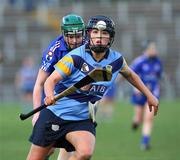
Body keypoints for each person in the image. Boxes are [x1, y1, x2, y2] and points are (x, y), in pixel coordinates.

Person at [26, 15, 159, 160]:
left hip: (82, 116)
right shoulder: (71, 55)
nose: (99, 37)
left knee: (85, 153)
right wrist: (42, 106)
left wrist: (149, 95)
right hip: (56, 111)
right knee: (44, 153)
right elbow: (46, 82)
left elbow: (131, 75)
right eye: (95, 33)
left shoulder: (116, 60)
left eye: (104, 33)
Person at [32, 14, 85, 160]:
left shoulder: (89, 46)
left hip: (77, 102)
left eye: (78, 36)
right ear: (63, 34)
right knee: (47, 149)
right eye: (70, 37)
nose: (75, 41)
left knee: (71, 146)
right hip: (55, 99)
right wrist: (37, 113)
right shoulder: (53, 51)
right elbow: (39, 84)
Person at [130, 40, 163, 150]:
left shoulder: (158, 62)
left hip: (153, 94)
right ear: (146, 50)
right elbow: (130, 74)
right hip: (140, 93)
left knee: (148, 118)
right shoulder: (139, 61)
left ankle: (145, 142)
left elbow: (158, 77)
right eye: (152, 48)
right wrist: (136, 88)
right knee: (138, 118)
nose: (154, 50)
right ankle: (135, 123)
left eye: (155, 48)